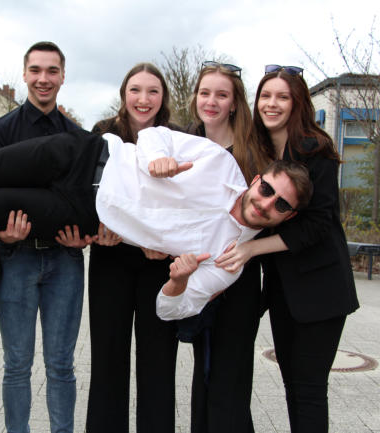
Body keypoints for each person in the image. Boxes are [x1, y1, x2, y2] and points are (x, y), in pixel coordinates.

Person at [0, 127, 311, 308]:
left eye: (280, 206)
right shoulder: (219, 162)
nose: (266, 203)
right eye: (268, 189)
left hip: (81, 212)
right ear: (257, 178)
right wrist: (158, 156)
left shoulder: (229, 258)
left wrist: (177, 282)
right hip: (84, 154)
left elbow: (173, 310)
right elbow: (155, 135)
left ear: (285, 217)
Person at [214, 65, 360, 432]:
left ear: (298, 104)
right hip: (283, 290)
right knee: (292, 386)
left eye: (282, 97)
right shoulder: (258, 150)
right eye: (265, 95)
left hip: (321, 289)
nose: (272, 104)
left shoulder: (316, 149)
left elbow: (318, 224)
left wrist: (252, 250)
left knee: (308, 390)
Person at [0, 41, 84, 433]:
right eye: (36, 70)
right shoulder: (1, 131)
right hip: (16, 258)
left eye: (52, 71)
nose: (44, 79)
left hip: (65, 260)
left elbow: (85, 201)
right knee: (16, 365)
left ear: (62, 76)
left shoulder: (78, 137)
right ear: (25, 73)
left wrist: (85, 236)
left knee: (61, 365)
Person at [85, 63, 182, 433]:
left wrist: (166, 243)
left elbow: (183, 202)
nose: (144, 99)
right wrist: (97, 229)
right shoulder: (103, 133)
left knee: (158, 362)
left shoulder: (175, 137)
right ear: (124, 94)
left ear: (163, 97)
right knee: (107, 359)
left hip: (159, 262)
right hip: (110, 257)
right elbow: (88, 190)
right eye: (135, 90)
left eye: (153, 91)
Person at [183, 61, 260, 433]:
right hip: (199, 274)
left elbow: (265, 214)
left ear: (234, 103)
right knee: (205, 371)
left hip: (237, 275)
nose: (211, 101)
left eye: (221, 95)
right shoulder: (185, 145)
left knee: (230, 375)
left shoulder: (252, 152)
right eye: (205, 93)